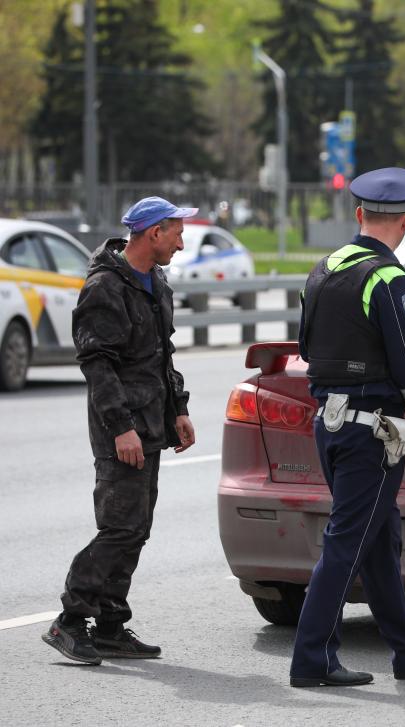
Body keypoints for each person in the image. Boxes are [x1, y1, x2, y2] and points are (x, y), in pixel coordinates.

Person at [289, 167, 405, 688]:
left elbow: (305, 347)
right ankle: (312, 659)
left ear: (359, 214)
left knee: (379, 537)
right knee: (347, 543)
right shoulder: (390, 280)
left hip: (332, 422)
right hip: (372, 434)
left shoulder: (325, 267)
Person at [42, 197, 197, 665]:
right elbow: (96, 362)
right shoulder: (105, 287)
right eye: (176, 233)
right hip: (121, 427)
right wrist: (121, 429)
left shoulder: (156, 284)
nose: (181, 242)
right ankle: (70, 620)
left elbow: (160, 354)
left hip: (151, 420)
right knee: (120, 527)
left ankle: (110, 624)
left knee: (137, 527)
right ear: (153, 233)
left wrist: (179, 409)